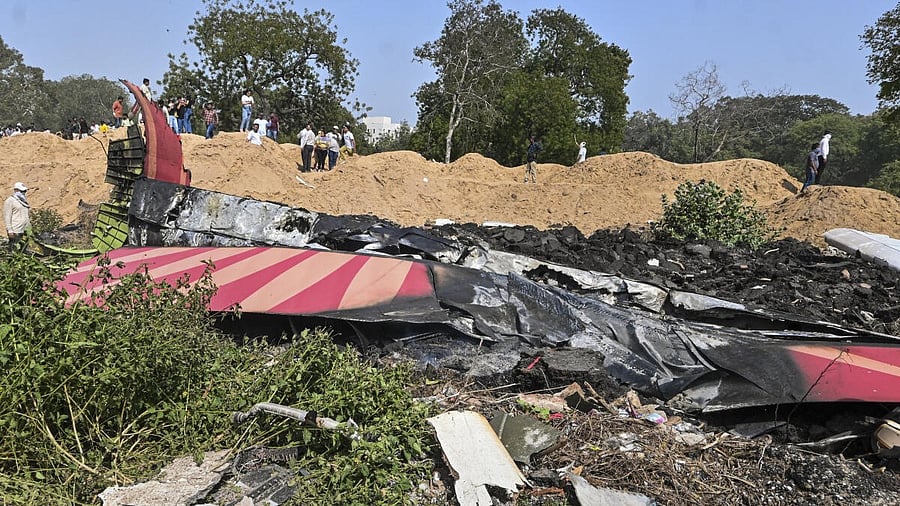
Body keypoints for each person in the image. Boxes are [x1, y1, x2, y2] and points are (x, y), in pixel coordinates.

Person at [4, 182, 30, 251]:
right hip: (16, 231)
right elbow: (7, 217)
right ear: (16, 190)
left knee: (24, 250)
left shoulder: (23, 201)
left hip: (25, 230)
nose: (23, 193)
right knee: (14, 251)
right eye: (22, 191)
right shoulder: (10, 201)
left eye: (24, 191)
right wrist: (10, 230)